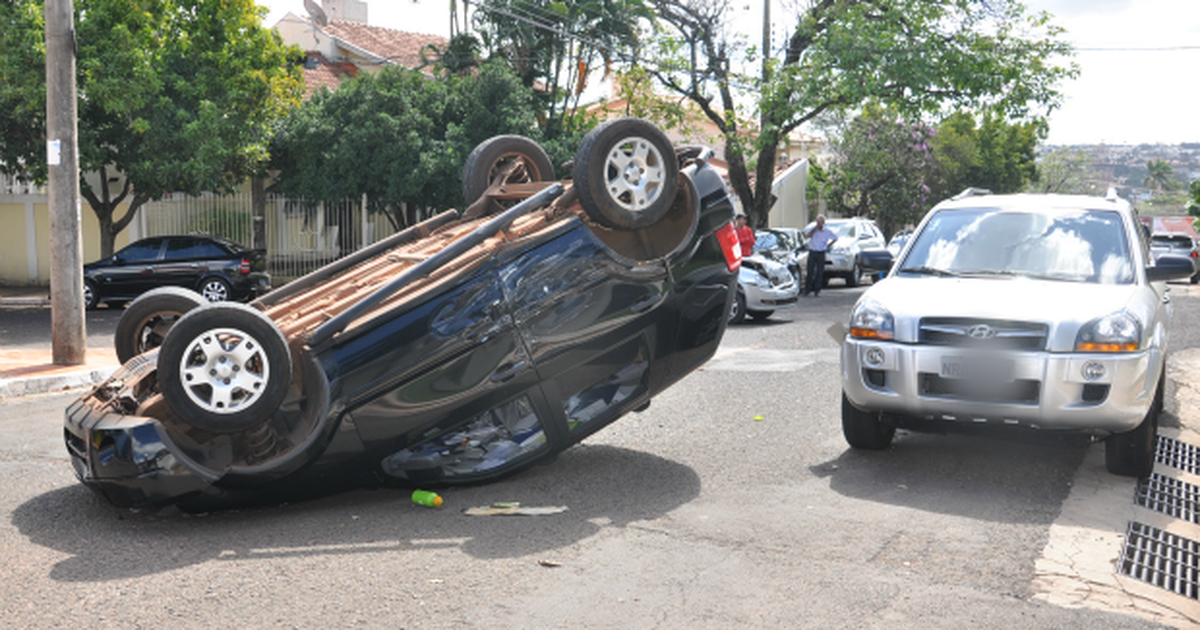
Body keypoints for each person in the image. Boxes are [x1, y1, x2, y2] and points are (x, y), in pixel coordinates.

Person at [803, 214, 838, 296]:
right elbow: (808, 236)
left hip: (821, 252)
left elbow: (835, 238)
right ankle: (807, 289)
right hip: (812, 251)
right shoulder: (813, 230)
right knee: (810, 271)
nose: (819, 223)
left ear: (823, 222)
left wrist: (827, 246)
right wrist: (815, 228)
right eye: (818, 221)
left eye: (820, 222)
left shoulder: (827, 231)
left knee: (819, 272)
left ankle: (817, 289)